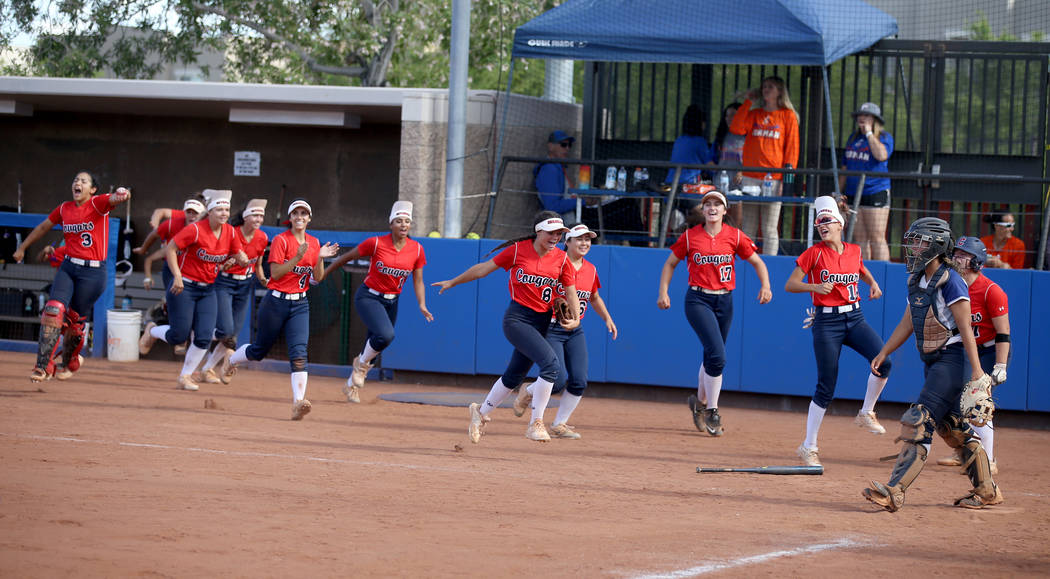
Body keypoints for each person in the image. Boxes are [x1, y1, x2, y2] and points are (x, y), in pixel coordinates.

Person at [862, 217, 1002, 511]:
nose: (913, 247)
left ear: (937, 245)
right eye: (913, 241)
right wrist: (885, 350)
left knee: (919, 420)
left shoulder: (951, 279)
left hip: (953, 360)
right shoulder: (918, 279)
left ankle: (895, 490)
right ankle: (987, 490)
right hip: (935, 360)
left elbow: (965, 327)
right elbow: (909, 320)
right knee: (953, 428)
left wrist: (977, 373)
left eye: (920, 241)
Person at [433, 211, 582, 443]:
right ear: (538, 231)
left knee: (513, 377)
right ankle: (536, 423)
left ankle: (480, 413)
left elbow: (571, 290)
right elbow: (483, 269)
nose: (555, 237)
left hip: (542, 322)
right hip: (518, 319)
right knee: (551, 366)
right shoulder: (518, 251)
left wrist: (577, 318)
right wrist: (453, 281)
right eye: (551, 232)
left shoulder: (562, 259)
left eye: (559, 233)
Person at [784, 196, 891, 467]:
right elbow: (791, 284)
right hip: (826, 322)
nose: (822, 225)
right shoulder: (814, 253)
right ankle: (808, 447)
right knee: (826, 385)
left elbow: (861, 270)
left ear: (840, 224)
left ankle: (866, 412)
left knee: (884, 361)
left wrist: (874, 284)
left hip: (854, 317)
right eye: (819, 221)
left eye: (827, 220)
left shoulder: (853, 250)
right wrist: (814, 287)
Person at [657, 191, 772, 436]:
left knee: (712, 355)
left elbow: (757, 262)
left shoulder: (734, 235)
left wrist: (766, 285)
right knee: (718, 356)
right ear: (703, 209)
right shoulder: (690, 237)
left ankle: (699, 404)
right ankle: (712, 410)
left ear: (725, 210)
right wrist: (663, 292)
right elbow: (670, 263)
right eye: (708, 204)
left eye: (717, 204)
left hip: (724, 300)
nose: (712, 208)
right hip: (698, 299)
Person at [225, 199, 339, 420]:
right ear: (290, 218)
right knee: (259, 351)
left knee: (299, 352)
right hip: (276, 302)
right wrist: (298, 256)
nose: (300, 217)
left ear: (309, 218)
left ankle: (298, 402)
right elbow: (275, 274)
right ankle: (230, 360)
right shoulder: (280, 240)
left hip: (300, 304)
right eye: (296, 213)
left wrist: (319, 258)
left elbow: (318, 278)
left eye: (304, 213)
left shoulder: (315, 242)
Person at [13, 172, 131, 382]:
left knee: (73, 325)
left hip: (93, 274)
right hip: (69, 267)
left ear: (92, 189)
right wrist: (22, 247)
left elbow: (115, 198)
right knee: (53, 311)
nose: (78, 183)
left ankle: (71, 360)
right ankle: (42, 367)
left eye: (84, 181)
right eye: (75, 180)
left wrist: (122, 194)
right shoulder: (64, 208)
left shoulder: (97, 203)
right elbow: (43, 227)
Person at [511, 223, 617, 439]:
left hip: (574, 329)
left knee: (579, 380)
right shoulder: (555, 263)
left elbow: (594, 297)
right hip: (551, 327)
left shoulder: (591, 269)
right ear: (567, 242)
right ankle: (528, 391)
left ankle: (559, 424)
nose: (584, 243)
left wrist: (607, 318)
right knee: (557, 381)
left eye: (588, 239)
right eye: (579, 238)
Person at [137, 190, 249, 391]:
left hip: (208, 289)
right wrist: (177, 276)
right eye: (219, 209)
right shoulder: (196, 230)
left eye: (227, 210)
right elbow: (171, 248)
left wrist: (240, 258)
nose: (224, 213)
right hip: (185, 286)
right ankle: (152, 330)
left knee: (204, 336)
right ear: (210, 211)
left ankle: (185, 376)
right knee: (178, 336)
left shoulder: (230, 232)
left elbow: (236, 252)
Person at [323, 201, 432, 404]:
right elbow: (344, 258)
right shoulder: (375, 243)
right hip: (369, 296)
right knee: (386, 335)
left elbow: (418, 280)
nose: (403, 225)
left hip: (392, 300)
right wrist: (324, 274)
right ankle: (361, 366)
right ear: (391, 224)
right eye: (398, 221)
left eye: (407, 221)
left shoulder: (416, 250)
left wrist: (422, 304)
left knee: (375, 344)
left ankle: (351, 386)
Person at [936, 237, 1010, 475]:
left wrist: (1001, 365)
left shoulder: (991, 290)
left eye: (964, 255)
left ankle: (988, 461)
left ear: (977, 261)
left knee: (978, 405)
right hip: (965, 351)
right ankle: (964, 453)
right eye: (956, 253)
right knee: (956, 405)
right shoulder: (952, 285)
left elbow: (1003, 333)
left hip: (988, 351)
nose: (957, 258)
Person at [196, 199, 270, 385]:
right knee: (226, 331)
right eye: (254, 214)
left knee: (232, 336)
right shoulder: (231, 232)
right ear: (245, 217)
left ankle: (207, 369)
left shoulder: (262, 237)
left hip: (245, 285)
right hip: (224, 282)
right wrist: (224, 265)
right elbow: (216, 257)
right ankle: (199, 333)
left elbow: (258, 265)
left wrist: (263, 279)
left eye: (261, 215)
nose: (258, 218)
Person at [729, 76, 800, 256]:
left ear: (780, 92)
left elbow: (792, 149)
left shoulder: (787, 116)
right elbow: (736, 128)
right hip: (750, 177)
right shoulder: (754, 114)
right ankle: (747, 261)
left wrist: (787, 179)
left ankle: (769, 264)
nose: (766, 90)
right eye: (764, 87)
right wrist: (748, 102)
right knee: (749, 225)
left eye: (771, 87)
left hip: (773, 179)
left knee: (769, 228)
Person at [839, 102, 894, 261]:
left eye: (867, 116)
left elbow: (881, 155)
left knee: (877, 237)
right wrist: (838, 192)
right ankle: (864, 275)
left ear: (875, 120)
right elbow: (845, 166)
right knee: (860, 238)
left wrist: (870, 133)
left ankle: (883, 274)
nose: (862, 119)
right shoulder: (853, 138)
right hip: (853, 193)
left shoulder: (884, 137)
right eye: (860, 116)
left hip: (875, 191)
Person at [534, 130, 580, 222]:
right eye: (563, 145)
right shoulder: (549, 169)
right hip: (557, 227)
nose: (567, 148)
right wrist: (581, 202)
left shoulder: (558, 166)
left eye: (569, 145)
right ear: (551, 146)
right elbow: (553, 206)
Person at [712, 102, 745, 225]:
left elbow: (755, 160)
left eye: (734, 115)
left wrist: (743, 172)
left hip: (739, 187)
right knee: (719, 222)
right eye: (727, 115)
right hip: (721, 184)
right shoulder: (721, 136)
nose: (730, 119)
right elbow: (711, 158)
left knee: (737, 223)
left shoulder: (747, 137)